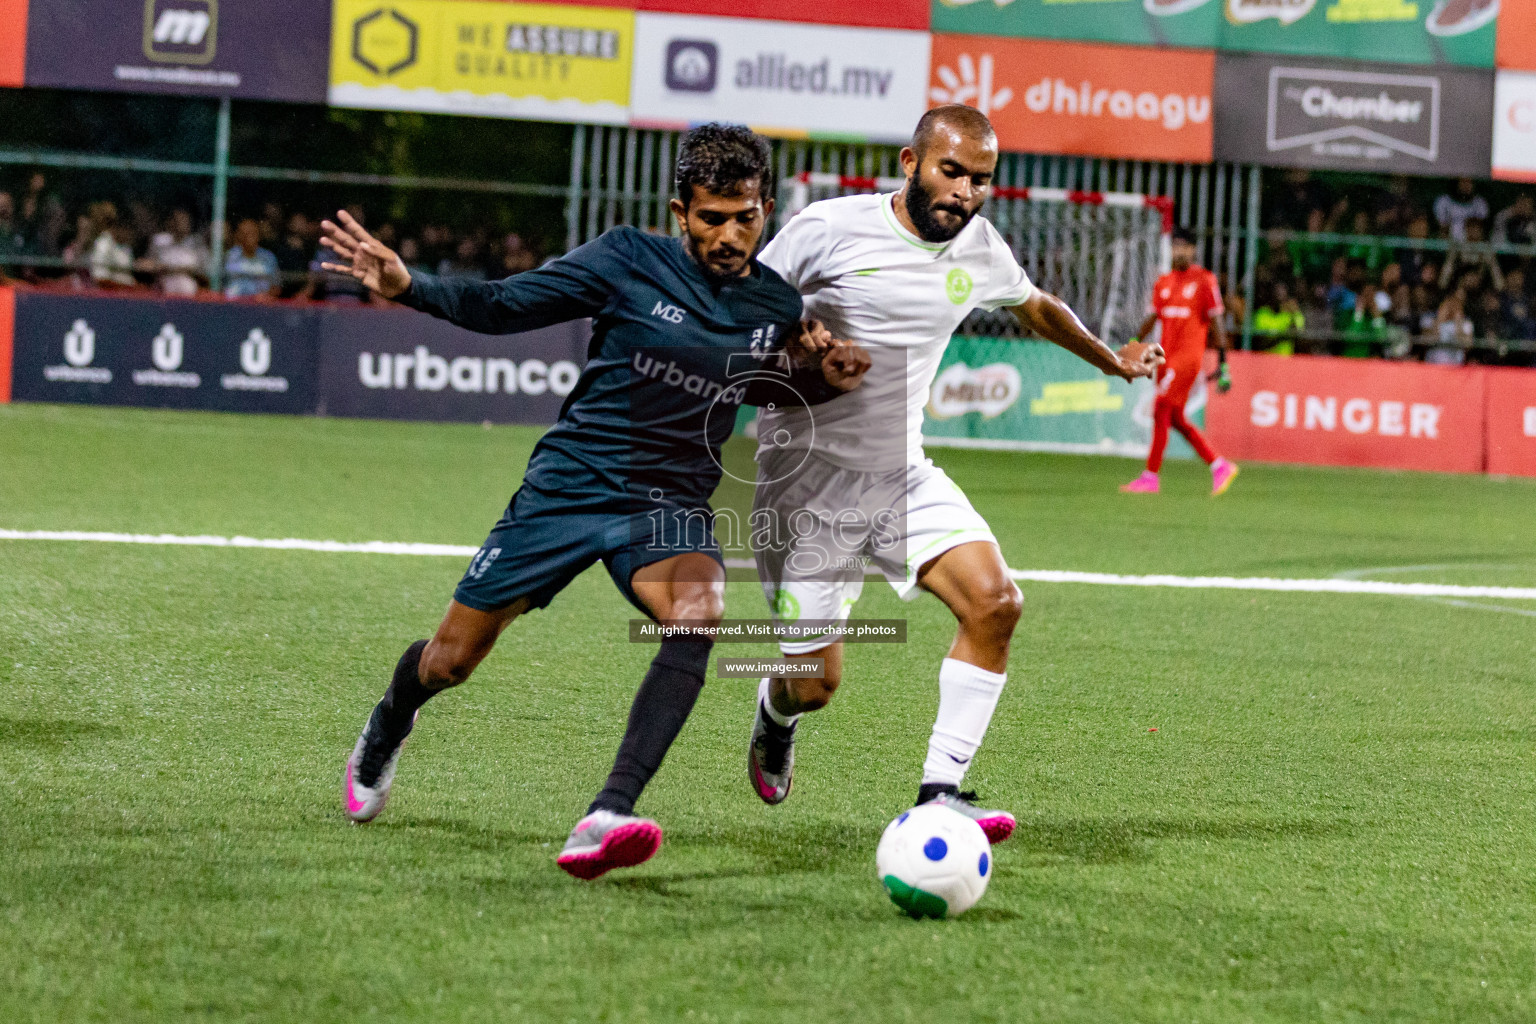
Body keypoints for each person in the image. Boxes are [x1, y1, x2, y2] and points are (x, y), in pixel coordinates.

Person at [319, 124, 870, 879]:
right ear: (681, 211)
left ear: (765, 208)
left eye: (746, 217)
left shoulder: (776, 303)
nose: (730, 235)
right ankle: (391, 719)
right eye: (712, 217)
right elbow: (503, 304)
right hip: (570, 487)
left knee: (700, 615)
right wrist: (410, 287)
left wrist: (822, 377)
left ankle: (609, 809)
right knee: (450, 662)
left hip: (670, 501)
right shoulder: (624, 259)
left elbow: (757, 390)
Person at [741, 106, 1163, 838]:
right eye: (952, 172)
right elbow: (740, 305)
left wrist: (1113, 360)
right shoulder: (829, 228)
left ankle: (941, 790)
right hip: (801, 487)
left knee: (996, 603)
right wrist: (796, 343)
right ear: (910, 163)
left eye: (981, 180)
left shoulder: (979, 246)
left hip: (900, 473)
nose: (965, 192)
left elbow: (1036, 307)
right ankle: (775, 713)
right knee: (815, 685)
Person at [1120, 226, 1237, 495]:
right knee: (1174, 417)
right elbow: (1153, 318)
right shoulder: (1163, 282)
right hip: (1165, 359)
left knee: (1161, 408)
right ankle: (1219, 465)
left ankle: (1150, 476)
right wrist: (1135, 344)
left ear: (1193, 250)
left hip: (1188, 360)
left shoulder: (1204, 280)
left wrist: (1223, 362)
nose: (1179, 251)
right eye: (1175, 246)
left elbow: (1217, 321)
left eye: (1184, 246)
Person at [141, 208, 209, 296]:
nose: (179, 225)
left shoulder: (195, 243)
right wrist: (156, 266)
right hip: (162, 290)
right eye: (176, 221)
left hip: (188, 293)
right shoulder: (159, 240)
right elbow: (148, 263)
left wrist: (171, 268)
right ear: (170, 222)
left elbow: (200, 270)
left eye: (183, 221)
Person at [224, 218, 280, 299]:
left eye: (252, 233)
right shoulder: (229, 256)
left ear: (258, 235)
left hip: (260, 306)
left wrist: (267, 296)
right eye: (244, 234)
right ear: (239, 236)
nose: (248, 237)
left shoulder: (268, 257)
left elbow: (276, 286)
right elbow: (220, 285)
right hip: (233, 304)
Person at [1434, 178, 1489, 243]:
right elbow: (1442, 227)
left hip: (1472, 245)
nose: (1466, 186)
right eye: (1463, 182)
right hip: (1449, 243)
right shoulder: (1443, 201)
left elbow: (1478, 230)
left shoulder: (1480, 203)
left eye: (1468, 182)